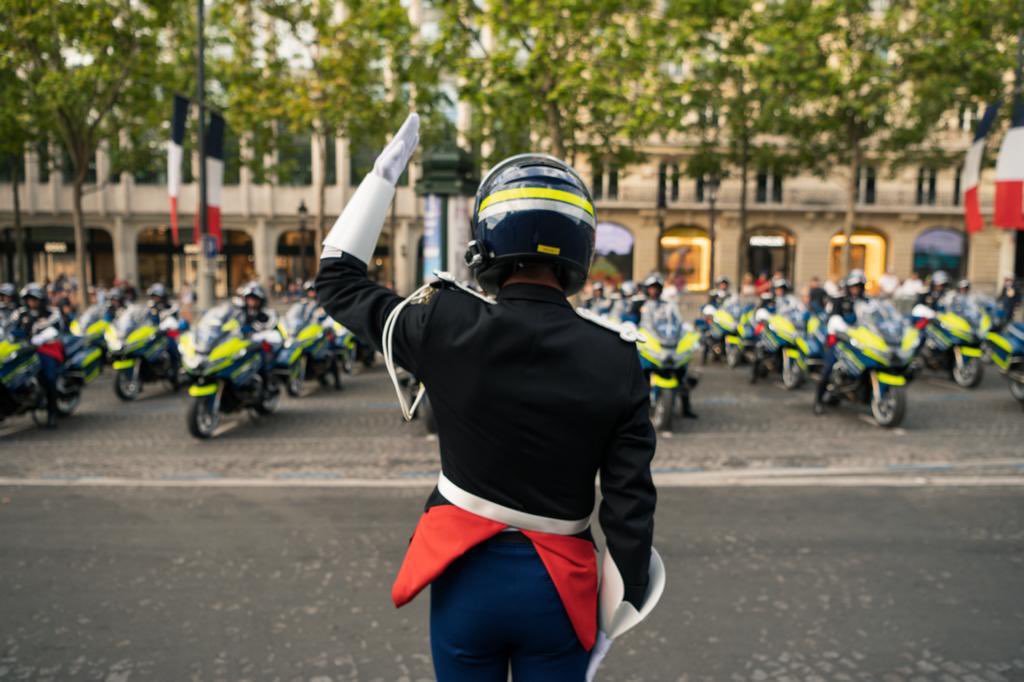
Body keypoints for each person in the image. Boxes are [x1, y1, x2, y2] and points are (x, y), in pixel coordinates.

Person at [316, 115, 662, 681]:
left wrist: (382, 177)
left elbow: (335, 281)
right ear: (580, 247)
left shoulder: (444, 320)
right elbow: (630, 508)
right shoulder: (616, 357)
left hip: (463, 573)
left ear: (487, 241)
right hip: (560, 587)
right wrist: (615, 615)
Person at [813, 271, 868, 415]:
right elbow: (833, 320)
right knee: (828, 368)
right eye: (853, 286)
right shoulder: (839, 300)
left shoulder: (867, 302)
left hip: (860, 341)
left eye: (858, 286)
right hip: (839, 341)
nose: (855, 289)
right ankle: (818, 401)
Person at [11, 284, 62, 427]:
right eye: (28, 299)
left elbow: (56, 329)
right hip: (23, 350)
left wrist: (40, 338)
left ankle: (53, 412)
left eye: (34, 299)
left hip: (46, 349)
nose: (31, 303)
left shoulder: (51, 313)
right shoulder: (19, 313)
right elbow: (10, 328)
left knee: (49, 377)